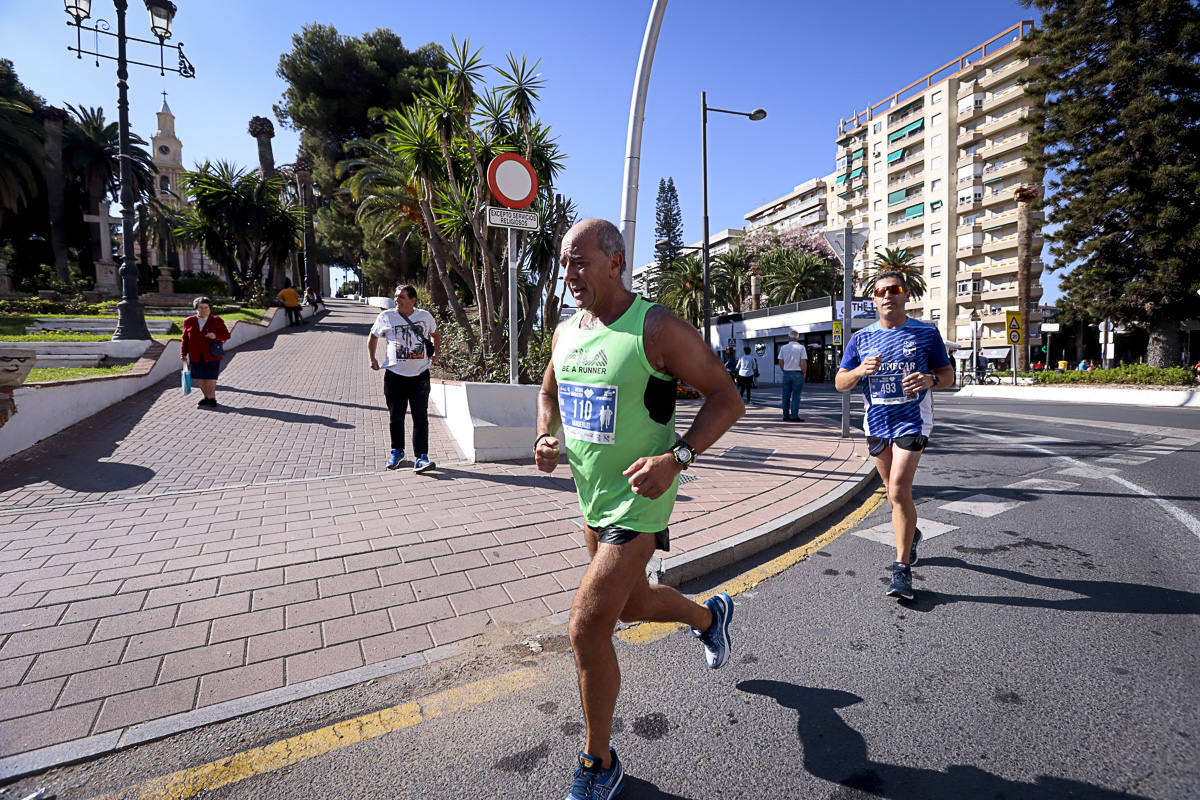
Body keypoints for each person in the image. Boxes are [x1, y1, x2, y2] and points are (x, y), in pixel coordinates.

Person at [534, 218, 744, 800]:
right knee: (632, 607)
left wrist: (676, 459)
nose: (569, 273)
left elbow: (727, 398)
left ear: (614, 262)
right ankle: (710, 619)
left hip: (641, 502)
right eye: (564, 262)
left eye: (579, 261)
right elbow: (549, 391)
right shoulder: (567, 332)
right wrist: (544, 438)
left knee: (586, 626)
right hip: (592, 501)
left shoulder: (655, 327)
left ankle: (599, 761)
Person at [835, 271, 954, 601]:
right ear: (874, 300)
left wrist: (930, 380)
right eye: (880, 291)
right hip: (876, 423)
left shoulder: (926, 333)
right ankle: (911, 533)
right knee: (892, 493)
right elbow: (840, 382)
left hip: (912, 421)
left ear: (906, 296)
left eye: (895, 289)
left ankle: (901, 571)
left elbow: (947, 375)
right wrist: (860, 371)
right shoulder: (861, 340)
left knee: (900, 489)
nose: (888, 295)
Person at [368, 285, 440, 473]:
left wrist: (436, 354)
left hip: (420, 377)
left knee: (420, 417)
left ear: (413, 300)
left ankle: (422, 457)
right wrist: (373, 358)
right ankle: (397, 451)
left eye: (401, 297)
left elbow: (435, 334)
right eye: (395, 296)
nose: (396, 300)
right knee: (396, 417)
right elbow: (373, 336)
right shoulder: (386, 316)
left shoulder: (425, 316)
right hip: (394, 377)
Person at [180, 296, 231, 408]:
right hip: (195, 354)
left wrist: (215, 336)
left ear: (210, 308)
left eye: (206, 307)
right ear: (196, 308)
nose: (204, 310)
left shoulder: (216, 320)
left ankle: (212, 398)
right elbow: (185, 339)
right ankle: (206, 397)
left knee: (211, 377)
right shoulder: (189, 321)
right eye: (201, 307)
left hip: (212, 354)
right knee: (200, 376)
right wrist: (183, 354)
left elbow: (227, 335)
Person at [777, 331, 808, 421]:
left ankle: (785, 416)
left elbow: (780, 361)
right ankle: (794, 416)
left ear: (789, 338)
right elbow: (803, 362)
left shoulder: (783, 347)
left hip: (787, 373)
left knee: (785, 395)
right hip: (797, 373)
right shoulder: (801, 348)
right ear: (797, 338)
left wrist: (784, 369)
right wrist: (804, 372)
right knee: (796, 396)